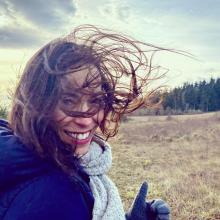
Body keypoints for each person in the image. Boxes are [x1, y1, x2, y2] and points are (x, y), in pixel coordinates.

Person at [0, 25, 170, 220]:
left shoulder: (33, 158)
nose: (86, 119)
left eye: (96, 100)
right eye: (68, 100)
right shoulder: (55, 193)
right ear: (36, 102)